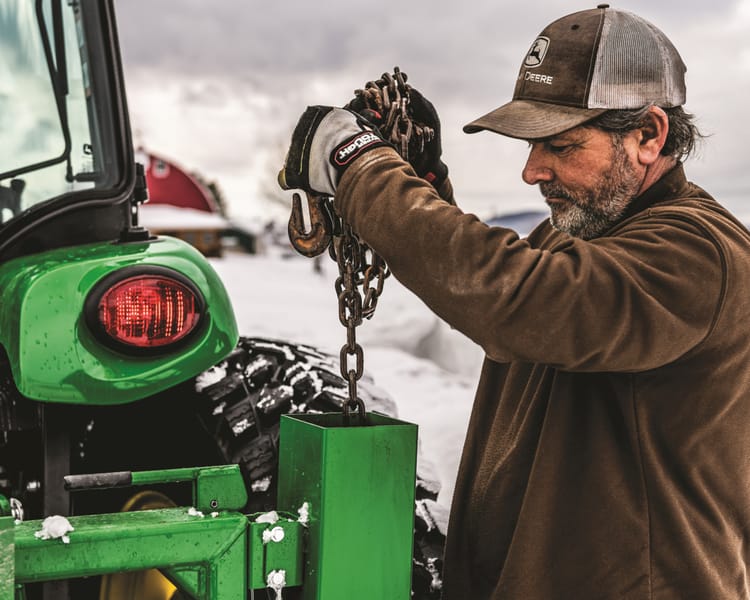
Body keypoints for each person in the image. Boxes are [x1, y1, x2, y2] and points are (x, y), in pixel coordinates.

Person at [278, 5, 750, 599]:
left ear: (648, 136)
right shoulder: (584, 232)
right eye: (530, 145)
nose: (533, 170)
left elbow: (517, 298)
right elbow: (484, 274)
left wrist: (359, 167)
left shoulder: (700, 256)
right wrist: (422, 188)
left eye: (559, 145)